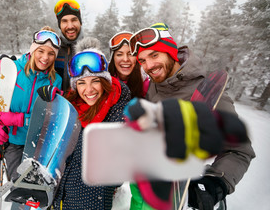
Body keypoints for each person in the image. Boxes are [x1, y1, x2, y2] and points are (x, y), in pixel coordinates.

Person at [126, 23, 255, 210]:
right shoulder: (154, 85)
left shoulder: (207, 92)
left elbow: (239, 150)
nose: (149, 66)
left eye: (154, 55)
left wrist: (216, 183)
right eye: (142, 61)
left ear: (170, 51)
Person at [50, 37, 131, 209]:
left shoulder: (119, 114)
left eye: (95, 81)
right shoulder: (72, 110)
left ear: (105, 82)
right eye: (81, 83)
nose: (89, 90)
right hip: (61, 198)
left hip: (91, 203)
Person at [0, 26, 62, 180]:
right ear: (33, 50)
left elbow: (55, 115)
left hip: (40, 144)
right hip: (13, 142)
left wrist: (20, 119)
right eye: (41, 51)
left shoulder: (56, 80)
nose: (45, 58)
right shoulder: (10, 69)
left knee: (42, 185)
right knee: (20, 182)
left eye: (51, 53)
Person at [53, 0, 84, 92]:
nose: (70, 26)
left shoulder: (90, 50)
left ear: (80, 22)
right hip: (56, 104)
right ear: (60, 24)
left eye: (74, 20)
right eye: (64, 21)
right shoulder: (52, 49)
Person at [108, 31, 150, 98]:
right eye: (119, 54)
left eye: (130, 54)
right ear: (113, 59)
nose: (125, 59)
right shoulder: (104, 83)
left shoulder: (146, 86)